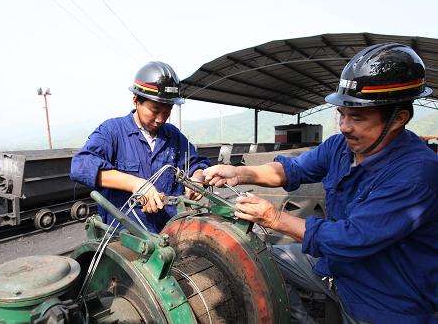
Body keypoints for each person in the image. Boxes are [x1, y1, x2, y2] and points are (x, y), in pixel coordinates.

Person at [203, 43, 438, 323]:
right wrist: (240, 173)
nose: (344, 126)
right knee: (263, 260)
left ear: (399, 118)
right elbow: (291, 170)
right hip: (336, 269)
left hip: (384, 298)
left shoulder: (416, 174)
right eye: (342, 114)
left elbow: (351, 239)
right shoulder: (341, 146)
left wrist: (272, 217)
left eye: (358, 117)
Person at [71, 61, 210, 233]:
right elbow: (80, 166)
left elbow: (197, 163)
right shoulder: (112, 131)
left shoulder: (173, 136)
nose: (161, 118)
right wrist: (136, 184)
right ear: (136, 100)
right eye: (155, 110)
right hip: (124, 239)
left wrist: (196, 181)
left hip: (168, 234)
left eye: (167, 111)